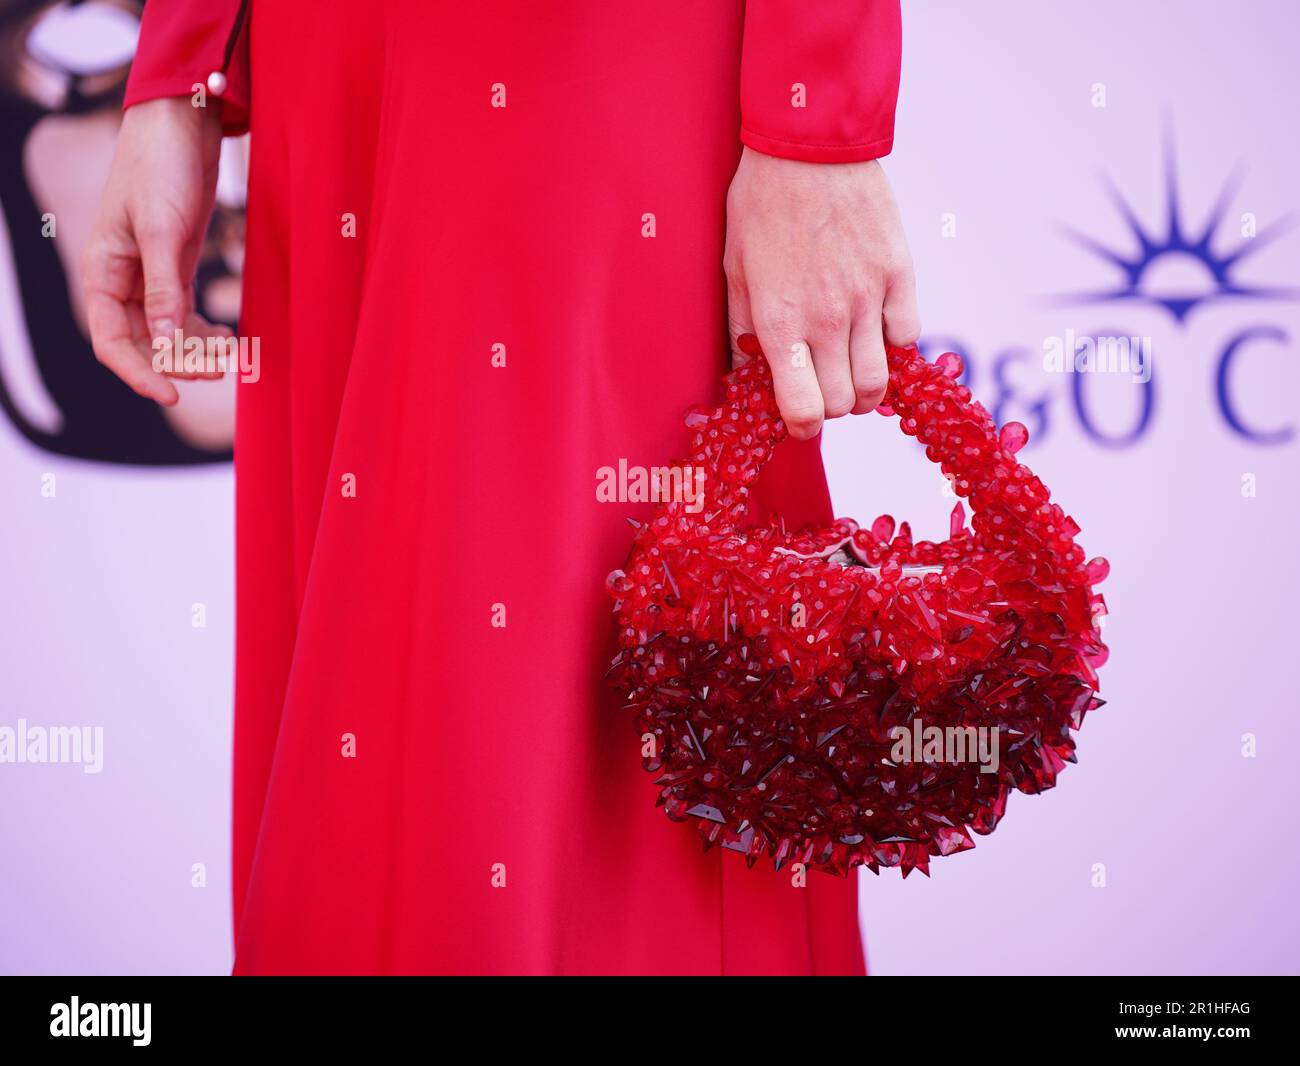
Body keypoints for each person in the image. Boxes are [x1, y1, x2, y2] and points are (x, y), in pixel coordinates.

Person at [83, 0, 919, 975]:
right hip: (331, 66)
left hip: (594, 56)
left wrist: (813, 113)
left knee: (577, 719)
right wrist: (182, 71)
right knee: (370, 710)